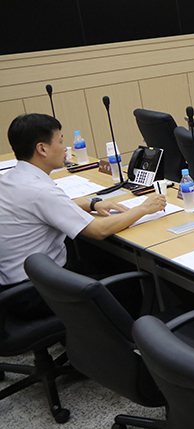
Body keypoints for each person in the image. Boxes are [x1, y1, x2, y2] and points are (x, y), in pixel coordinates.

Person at [0, 113, 166, 318]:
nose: (65, 148)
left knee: (101, 260)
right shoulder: (41, 191)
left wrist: (93, 203)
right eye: (60, 141)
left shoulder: (12, 178)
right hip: (34, 293)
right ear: (42, 149)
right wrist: (143, 208)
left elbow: (53, 206)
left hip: (16, 284)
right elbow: (99, 230)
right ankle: (121, 348)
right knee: (132, 286)